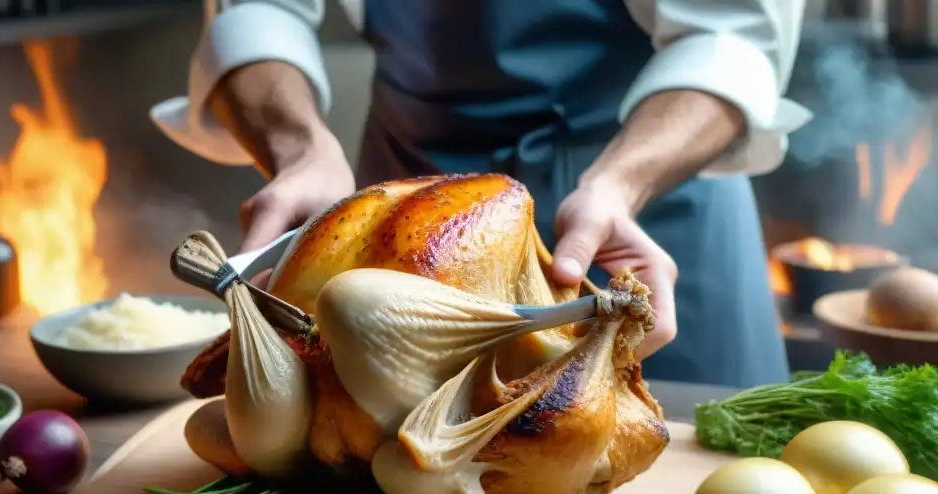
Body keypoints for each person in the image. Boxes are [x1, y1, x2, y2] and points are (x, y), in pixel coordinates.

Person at [152, 0, 812, 387]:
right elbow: (259, 11)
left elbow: (730, 35)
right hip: (407, 207)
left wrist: (620, 183)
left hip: (638, 216)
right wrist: (300, 148)